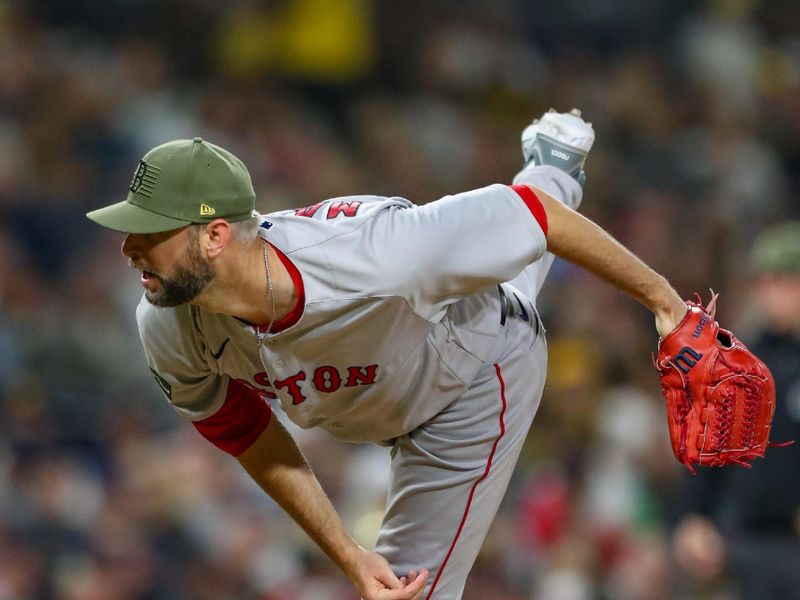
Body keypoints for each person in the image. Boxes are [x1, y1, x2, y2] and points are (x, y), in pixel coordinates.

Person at [86, 109, 688, 600]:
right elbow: (247, 434)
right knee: (491, 265)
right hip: (389, 374)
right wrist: (348, 553)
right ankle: (553, 164)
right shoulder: (167, 324)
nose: (129, 248)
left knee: (408, 597)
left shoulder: (372, 253)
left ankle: (549, 176)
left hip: (472, 373)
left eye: (150, 232)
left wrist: (668, 307)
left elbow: (534, 219)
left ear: (215, 235)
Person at [671, 222, 800, 600]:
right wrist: (694, 516)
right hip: (742, 545)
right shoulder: (745, 362)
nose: (770, 294)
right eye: (765, 283)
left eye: (784, 281)